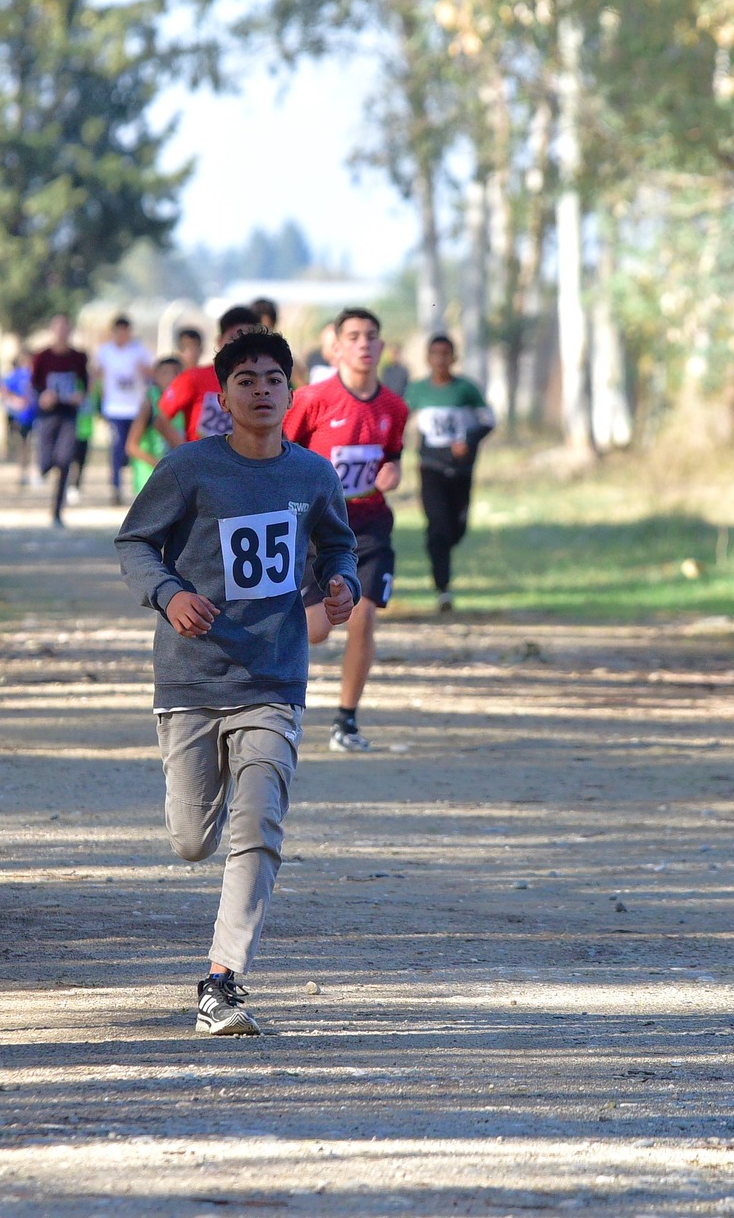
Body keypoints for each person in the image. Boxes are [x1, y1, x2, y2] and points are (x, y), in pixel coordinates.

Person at [114, 328, 358, 1035]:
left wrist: (341, 581)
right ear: (222, 394)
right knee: (193, 840)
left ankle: (222, 982)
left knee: (259, 828)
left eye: (273, 379)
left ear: (291, 389)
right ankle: (208, 812)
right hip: (191, 679)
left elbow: (337, 544)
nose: (261, 390)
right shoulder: (190, 469)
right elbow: (134, 542)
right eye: (246, 379)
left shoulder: (312, 475)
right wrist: (168, 595)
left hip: (273, 677)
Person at [286, 307, 407, 753]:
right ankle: (277, 701)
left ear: (380, 345)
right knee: (316, 630)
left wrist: (392, 470)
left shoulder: (395, 406)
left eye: (371, 335)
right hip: (318, 530)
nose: (363, 343)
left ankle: (346, 721)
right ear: (336, 345)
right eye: (353, 335)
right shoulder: (311, 400)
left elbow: (392, 453)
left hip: (371, 528)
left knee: (364, 615)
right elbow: (280, 453)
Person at [405, 334, 496, 613]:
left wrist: (468, 440)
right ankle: (443, 587)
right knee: (438, 526)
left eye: (446, 354)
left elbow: (488, 421)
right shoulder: (417, 391)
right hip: (430, 466)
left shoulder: (466, 389)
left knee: (456, 529)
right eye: (435, 354)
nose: (440, 360)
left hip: (461, 470)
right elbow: (400, 420)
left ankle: (444, 546)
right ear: (428, 358)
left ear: (454, 358)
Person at [158, 305, 258, 446]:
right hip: (201, 464)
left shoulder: (262, 383)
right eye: (234, 338)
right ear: (220, 341)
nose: (240, 346)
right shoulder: (193, 378)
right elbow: (161, 420)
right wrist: (185, 453)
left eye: (248, 340)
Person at [31, 312, 90, 527]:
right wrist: (42, 397)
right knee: (46, 462)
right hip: (48, 414)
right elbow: (34, 385)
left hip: (68, 414)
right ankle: (42, 468)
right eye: (57, 327)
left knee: (65, 461)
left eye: (65, 327)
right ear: (51, 330)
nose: (61, 332)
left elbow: (85, 383)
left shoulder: (78, 357)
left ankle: (57, 511)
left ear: (70, 330)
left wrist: (80, 396)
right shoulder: (42, 357)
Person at [93, 315, 155, 505]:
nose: (122, 335)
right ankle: (116, 487)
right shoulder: (105, 352)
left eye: (125, 331)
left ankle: (143, 487)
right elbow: (96, 375)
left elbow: (153, 374)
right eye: (118, 331)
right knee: (117, 449)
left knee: (136, 448)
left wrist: (144, 371)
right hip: (115, 409)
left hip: (136, 409)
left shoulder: (139, 352)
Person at [126, 356, 184, 494]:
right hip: (150, 479)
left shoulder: (185, 404)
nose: (172, 378)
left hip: (175, 478)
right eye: (165, 373)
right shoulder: (150, 404)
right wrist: (158, 464)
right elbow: (131, 446)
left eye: (177, 372)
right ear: (156, 376)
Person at [0, 351, 38, 490]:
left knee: (33, 445)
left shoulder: (36, 374)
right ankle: (22, 472)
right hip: (20, 417)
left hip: (35, 415)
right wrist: (14, 401)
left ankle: (31, 472)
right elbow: (3, 389)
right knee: (23, 445)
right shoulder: (16, 375)